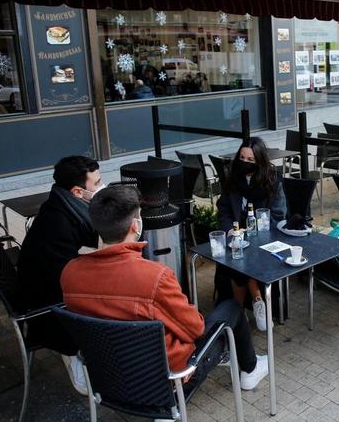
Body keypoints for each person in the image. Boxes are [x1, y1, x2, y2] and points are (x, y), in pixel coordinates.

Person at [60, 186, 268, 395]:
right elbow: (195, 329)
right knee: (231, 308)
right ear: (135, 225)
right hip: (167, 380)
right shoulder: (154, 277)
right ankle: (250, 369)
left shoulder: (70, 273)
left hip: (109, 377)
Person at [16, 155, 102, 395]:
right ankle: (75, 356)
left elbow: (84, 240)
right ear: (77, 191)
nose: (100, 187)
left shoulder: (61, 204)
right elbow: (65, 278)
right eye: (96, 183)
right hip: (46, 306)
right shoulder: (58, 222)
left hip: (46, 285)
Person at [216, 137, 286, 331]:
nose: (244, 163)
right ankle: (255, 301)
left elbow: (279, 215)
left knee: (242, 259)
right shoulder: (233, 179)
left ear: (259, 162)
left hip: (265, 239)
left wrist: (255, 233)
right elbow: (223, 209)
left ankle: (242, 309)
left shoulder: (271, 182)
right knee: (237, 253)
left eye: (250, 160)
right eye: (242, 158)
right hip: (237, 236)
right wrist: (231, 229)